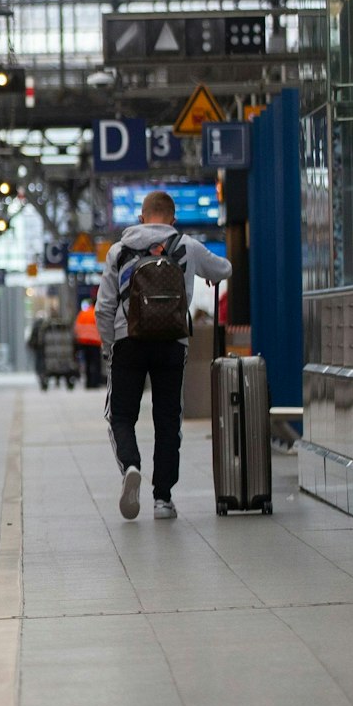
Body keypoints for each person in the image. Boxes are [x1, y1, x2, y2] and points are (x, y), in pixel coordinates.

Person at [97, 189, 231, 521]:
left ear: (141, 218)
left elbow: (104, 307)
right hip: (172, 341)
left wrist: (106, 346)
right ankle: (163, 499)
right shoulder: (186, 246)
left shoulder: (119, 250)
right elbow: (224, 269)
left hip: (128, 340)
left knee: (122, 416)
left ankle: (130, 465)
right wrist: (208, 276)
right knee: (168, 420)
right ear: (173, 219)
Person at [73, 301, 105, 389]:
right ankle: (96, 382)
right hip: (95, 342)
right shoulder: (97, 313)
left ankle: (88, 383)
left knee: (87, 363)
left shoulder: (83, 313)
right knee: (96, 363)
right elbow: (102, 327)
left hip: (84, 342)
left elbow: (77, 327)